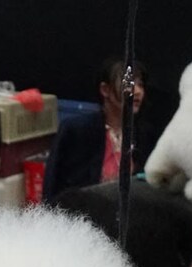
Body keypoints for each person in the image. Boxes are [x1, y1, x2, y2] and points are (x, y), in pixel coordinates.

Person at [42, 57, 157, 207]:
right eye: (129, 84)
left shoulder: (144, 134)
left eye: (140, 85)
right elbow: (53, 188)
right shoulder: (77, 131)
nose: (138, 92)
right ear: (105, 90)